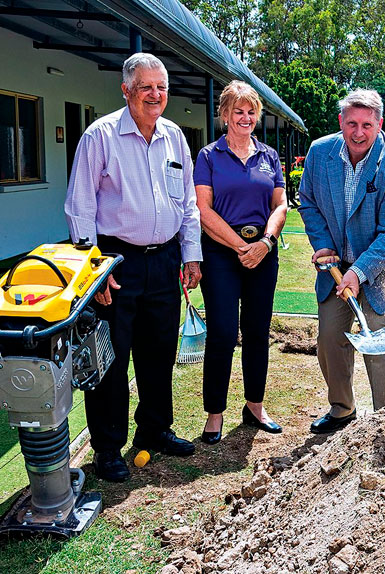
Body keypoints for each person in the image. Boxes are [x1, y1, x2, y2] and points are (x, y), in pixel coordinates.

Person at [64, 53, 202, 482]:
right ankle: (107, 447)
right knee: (111, 358)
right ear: (126, 90)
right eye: (146, 87)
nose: (156, 95)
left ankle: (156, 429)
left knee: (158, 352)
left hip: (164, 261)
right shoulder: (99, 136)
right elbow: (80, 209)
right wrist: (93, 271)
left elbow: (189, 203)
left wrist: (191, 253)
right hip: (115, 262)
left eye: (161, 87)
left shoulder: (175, 135)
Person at [298, 89, 385, 434]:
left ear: (379, 124)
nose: (359, 132)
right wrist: (322, 246)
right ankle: (342, 409)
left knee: (379, 349)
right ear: (341, 122)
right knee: (329, 339)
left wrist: (358, 272)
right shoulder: (321, 153)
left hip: (381, 271)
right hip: (335, 269)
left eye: (367, 124)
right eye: (352, 123)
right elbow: (307, 202)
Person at [193, 81, 289, 445]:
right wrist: (239, 246)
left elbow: (280, 204)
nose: (245, 118)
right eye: (238, 111)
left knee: (256, 331)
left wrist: (265, 242)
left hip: (263, 251)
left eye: (251, 112)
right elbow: (203, 210)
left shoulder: (269, 155)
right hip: (221, 252)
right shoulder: (208, 156)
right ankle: (215, 413)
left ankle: (255, 406)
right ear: (225, 114)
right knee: (221, 332)